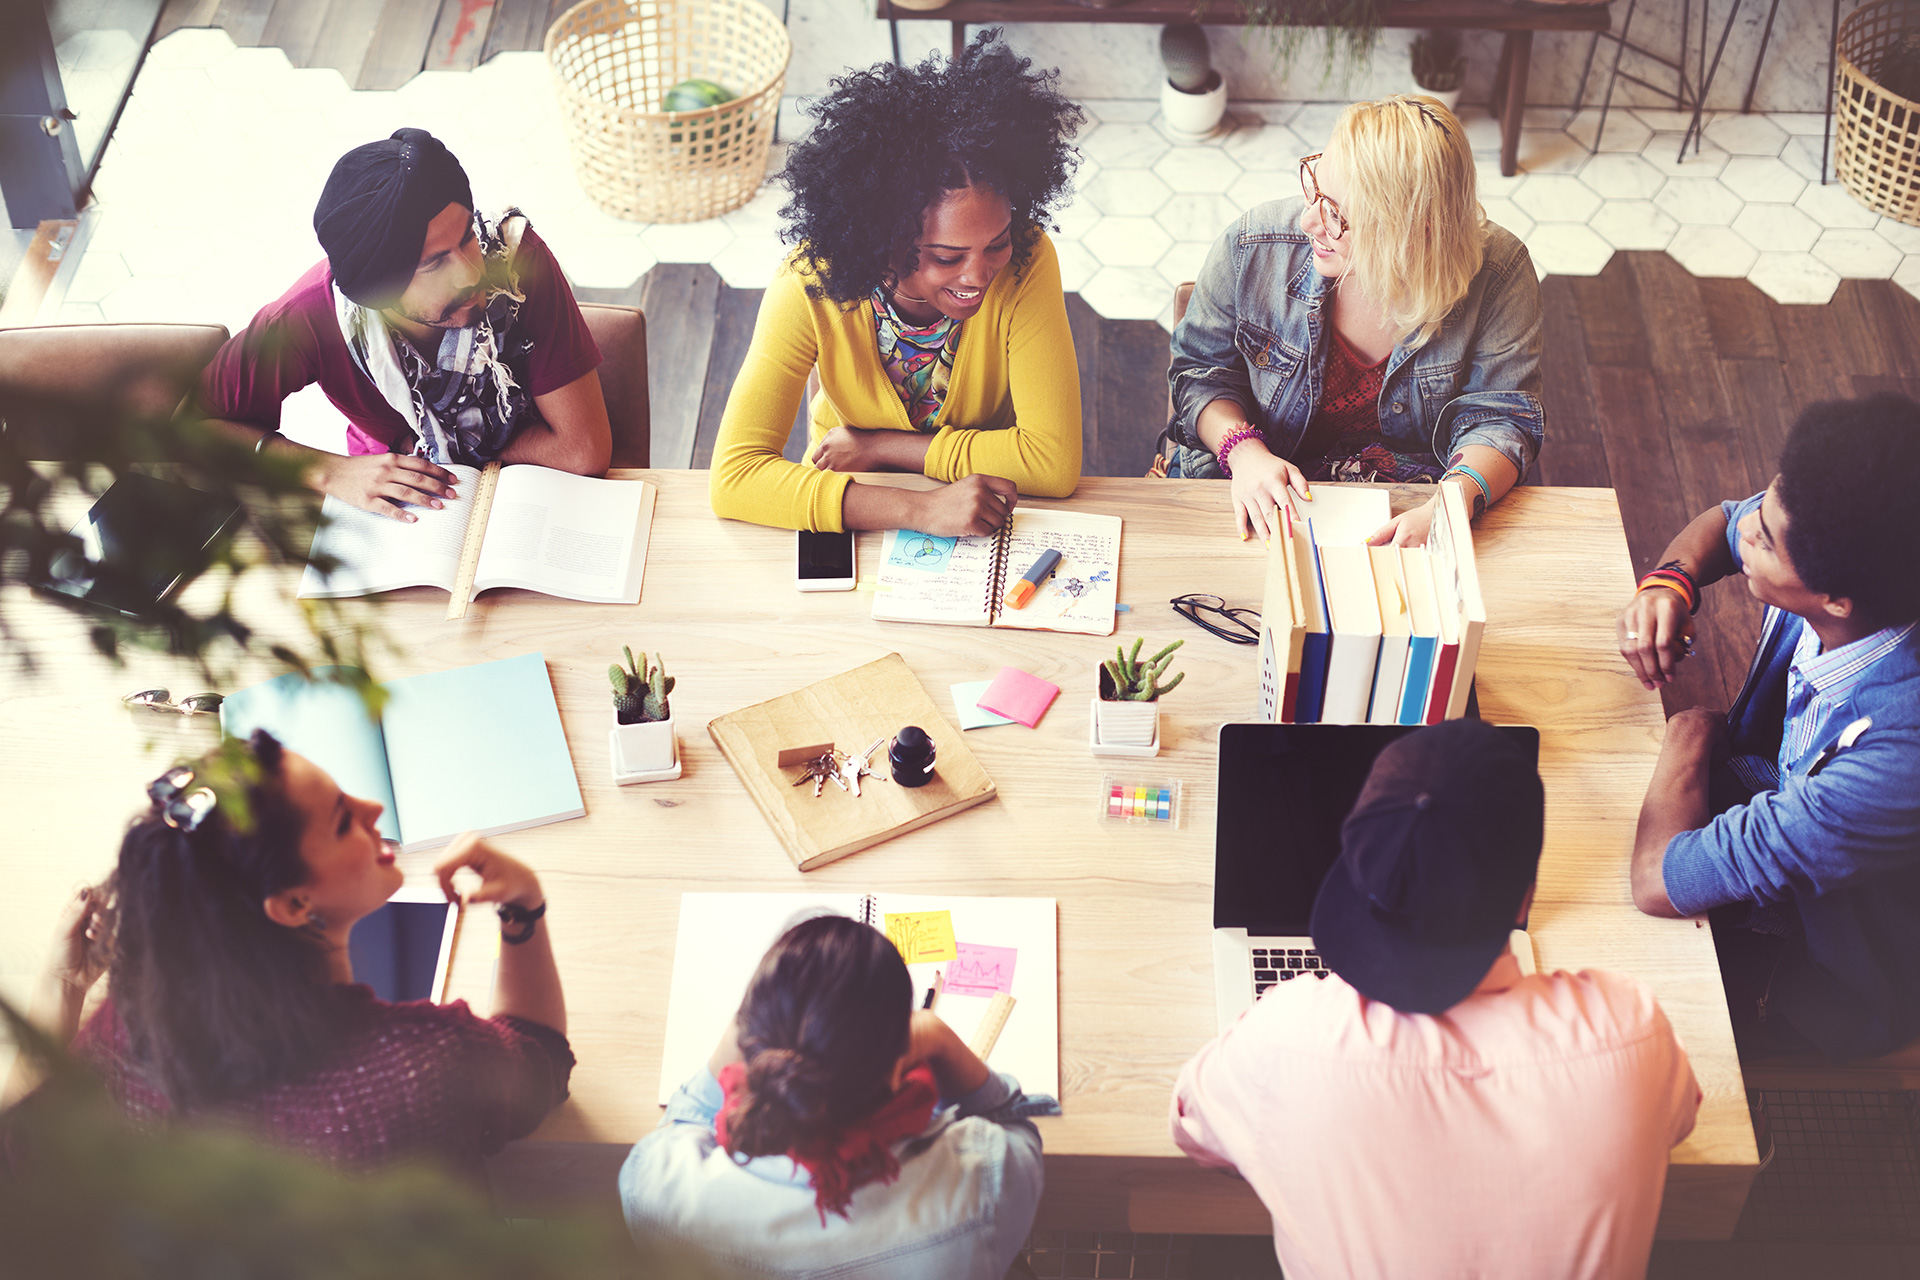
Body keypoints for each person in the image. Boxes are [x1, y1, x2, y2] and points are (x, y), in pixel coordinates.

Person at [1171, 719, 1699, 1280]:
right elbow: (1678, 1120)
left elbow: (1193, 1130)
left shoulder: (1282, 1038)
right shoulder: (1630, 1031)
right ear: (1527, 892)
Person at [7, 731, 572, 1182]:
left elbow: (24, 1135)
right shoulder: (418, 1061)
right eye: (344, 820)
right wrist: (523, 905)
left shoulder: (121, 1044)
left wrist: (63, 984)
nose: (374, 806)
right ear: (295, 903)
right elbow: (542, 1064)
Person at [1623, 393, 1920, 1061]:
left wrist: (1693, 732)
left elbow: (1658, 879)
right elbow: (1721, 523)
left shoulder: (1895, 757)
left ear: (1834, 600)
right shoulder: (1855, 544)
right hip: (1772, 795)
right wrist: (1667, 582)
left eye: (1764, 539)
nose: (1747, 523)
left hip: (1842, 973)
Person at [708, 34, 1085, 536]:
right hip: (852, 493)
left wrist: (882, 445)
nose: (977, 276)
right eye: (946, 257)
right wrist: (919, 510)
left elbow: (1052, 462)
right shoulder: (809, 283)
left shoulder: (1028, 260)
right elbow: (734, 477)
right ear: (883, 240)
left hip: (985, 500)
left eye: (995, 243)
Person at [1163, 96, 1544, 547]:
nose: (1309, 221)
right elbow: (1200, 374)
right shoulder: (1252, 245)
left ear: (1416, 227)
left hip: (1418, 495)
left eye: (1339, 215)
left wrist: (1450, 504)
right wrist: (1243, 452)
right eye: (1315, 188)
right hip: (1263, 475)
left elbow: (1501, 419)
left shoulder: (1501, 273)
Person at [195, 128, 611, 523]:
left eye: (467, 237)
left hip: (533, 486)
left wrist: (449, 450)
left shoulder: (516, 263)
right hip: (396, 491)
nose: (470, 274)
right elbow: (194, 428)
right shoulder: (306, 318)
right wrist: (328, 472)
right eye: (433, 264)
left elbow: (581, 452)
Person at [620, 914, 1043, 1278]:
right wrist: (939, 1036)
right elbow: (1012, 1122)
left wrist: (744, 1029)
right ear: (899, 1069)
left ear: (753, 1056)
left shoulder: (655, 1188)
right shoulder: (984, 1184)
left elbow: (686, 1118)